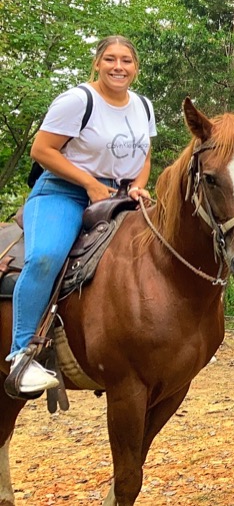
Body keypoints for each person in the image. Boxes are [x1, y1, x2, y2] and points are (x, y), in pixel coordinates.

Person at [9, 35, 155, 397]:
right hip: (63, 191)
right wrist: (90, 184)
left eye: (126, 61)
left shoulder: (143, 106)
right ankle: (22, 354)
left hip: (118, 196)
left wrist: (137, 185)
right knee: (46, 257)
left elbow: (144, 154)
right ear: (97, 63)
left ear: (136, 68)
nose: (118, 67)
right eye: (110, 59)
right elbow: (42, 149)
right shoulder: (78, 100)